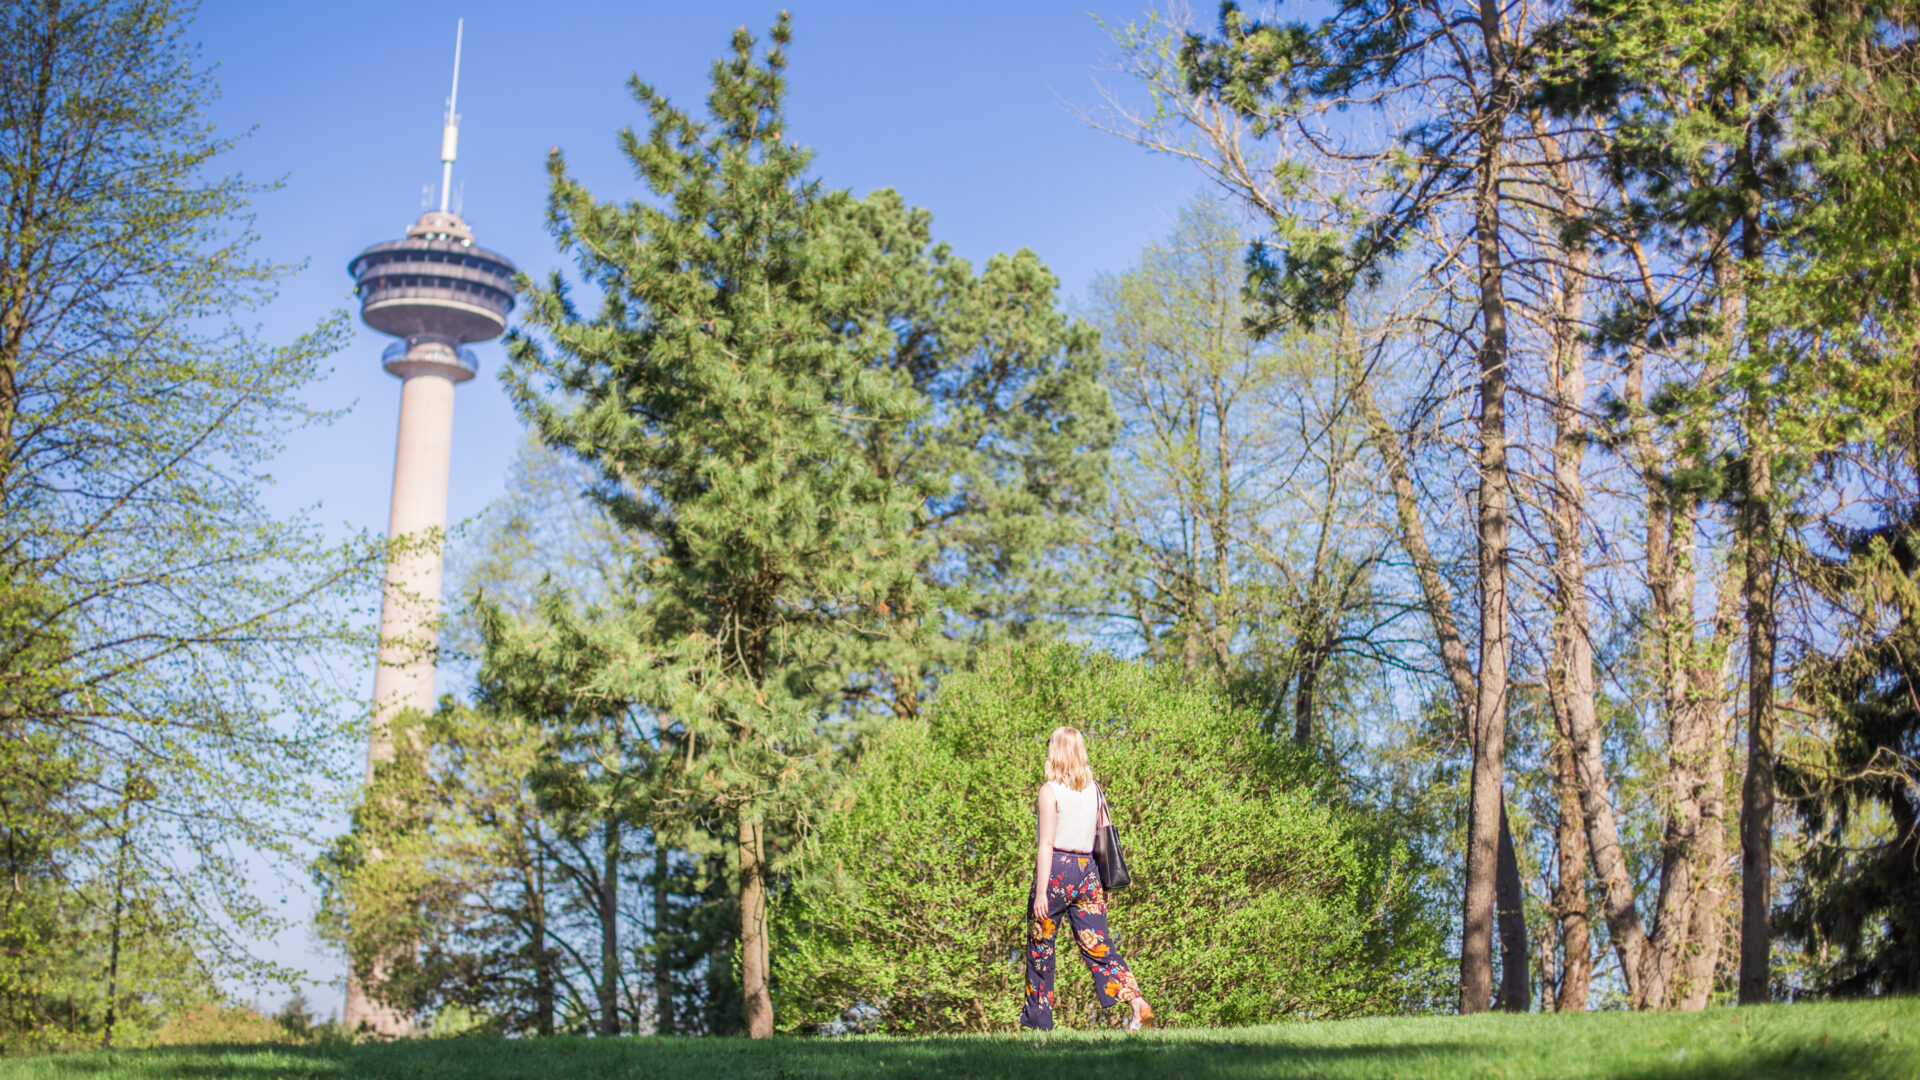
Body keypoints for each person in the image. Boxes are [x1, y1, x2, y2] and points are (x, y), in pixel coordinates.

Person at [1020, 725, 1153, 1032]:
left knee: (1041, 947)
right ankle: (1136, 1002)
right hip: (1089, 872)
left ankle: (1039, 1024)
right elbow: (1103, 834)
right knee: (1099, 945)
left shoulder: (1049, 790)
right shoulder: (1094, 789)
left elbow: (1046, 844)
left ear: (1056, 751)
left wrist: (1041, 893)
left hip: (1057, 871)